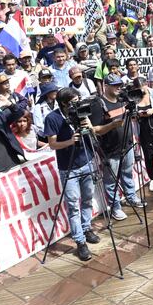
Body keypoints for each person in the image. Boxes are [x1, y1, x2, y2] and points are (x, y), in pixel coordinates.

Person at [43, 87, 100, 262]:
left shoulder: (82, 112)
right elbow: (52, 144)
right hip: (68, 167)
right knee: (73, 205)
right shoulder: (52, 118)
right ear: (64, 103)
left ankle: (86, 228)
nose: (78, 104)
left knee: (88, 199)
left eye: (78, 100)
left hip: (87, 161)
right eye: (74, 102)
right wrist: (70, 141)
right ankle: (80, 241)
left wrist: (88, 126)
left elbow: (93, 133)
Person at [90, 73, 143, 220]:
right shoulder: (98, 104)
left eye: (119, 85)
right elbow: (95, 130)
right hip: (110, 150)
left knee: (127, 174)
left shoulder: (123, 100)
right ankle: (115, 207)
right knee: (111, 181)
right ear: (105, 86)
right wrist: (112, 125)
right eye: (114, 85)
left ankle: (131, 196)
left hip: (127, 145)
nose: (118, 88)